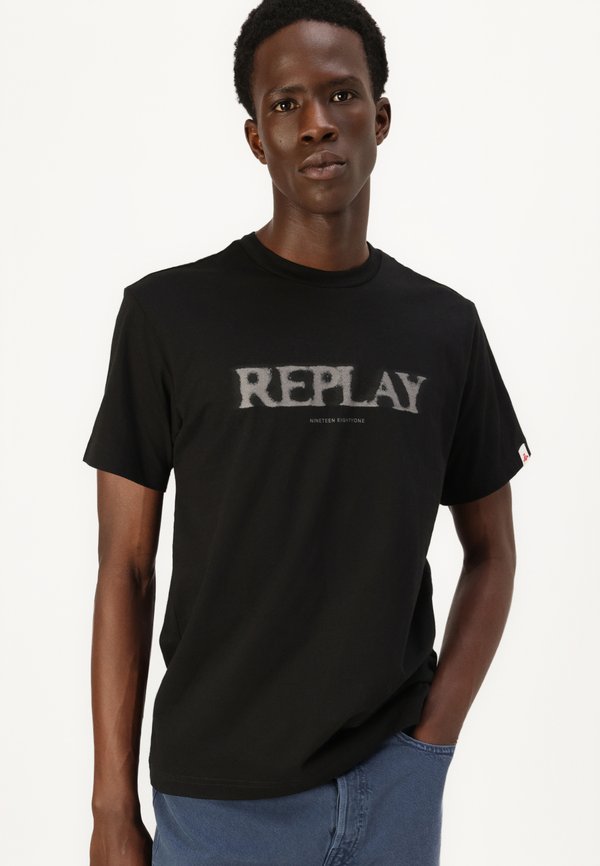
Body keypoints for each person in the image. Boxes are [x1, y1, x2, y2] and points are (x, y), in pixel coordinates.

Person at [84, 1, 531, 864]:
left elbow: (493, 552)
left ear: (381, 117)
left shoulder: (444, 328)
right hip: (219, 802)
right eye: (286, 104)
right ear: (258, 138)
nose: (317, 122)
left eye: (341, 94)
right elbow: (125, 570)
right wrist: (111, 808)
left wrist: (431, 743)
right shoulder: (167, 316)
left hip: (392, 788)